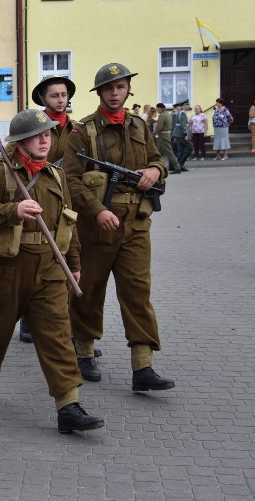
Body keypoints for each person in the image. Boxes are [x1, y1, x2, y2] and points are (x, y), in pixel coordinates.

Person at [0, 109, 104, 434]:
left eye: (48, 134)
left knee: (57, 335)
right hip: (10, 267)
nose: (46, 140)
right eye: (37, 135)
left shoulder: (56, 176)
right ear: (20, 141)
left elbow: (69, 225)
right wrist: (12, 209)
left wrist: (75, 265)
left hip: (50, 269)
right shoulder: (0, 172)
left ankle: (68, 405)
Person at [62, 62, 175, 392]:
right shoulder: (82, 131)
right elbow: (70, 178)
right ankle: (83, 353)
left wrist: (156, 171)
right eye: (109, 88)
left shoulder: (140, 126)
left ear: (128, 90)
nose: (115, 93)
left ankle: (143, 367)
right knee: (89, 290)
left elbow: (158, 160)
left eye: (121, 87)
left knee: (137, 293)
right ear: (99, 93)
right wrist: (96, 210)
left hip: (137, 224)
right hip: (97, 226)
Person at [19, 74, 79, 343]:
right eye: (54, 95)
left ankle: (64, 329)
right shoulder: (32, 125)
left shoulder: (77, 130)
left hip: (64, 195)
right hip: (34, 195)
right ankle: (28, 321)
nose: (60, 99)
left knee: (65, 262)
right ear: (43, 98)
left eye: (64, 95)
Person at [154, 102, 180, 174]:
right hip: (167, 134)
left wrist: (155, 133)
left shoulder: (162, 115)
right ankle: (153, 166)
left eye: (157, 109)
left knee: (169, 152)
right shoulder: (168, 114)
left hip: (163, 136)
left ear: (160, 108)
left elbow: (159, 127)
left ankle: (177, 168)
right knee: (158, 153)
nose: (157, 110)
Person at [171, 100, 192, 172]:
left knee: (181, 149)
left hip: (178, 134)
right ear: (183, 106)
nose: (189, 106)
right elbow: (183, 125)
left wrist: (174, 135)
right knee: (190, 147)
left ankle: (178, 166)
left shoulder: (180, 113)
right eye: (187, 105)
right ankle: (180, 164)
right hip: (181, 134)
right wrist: (186, 134)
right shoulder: (182, 113)